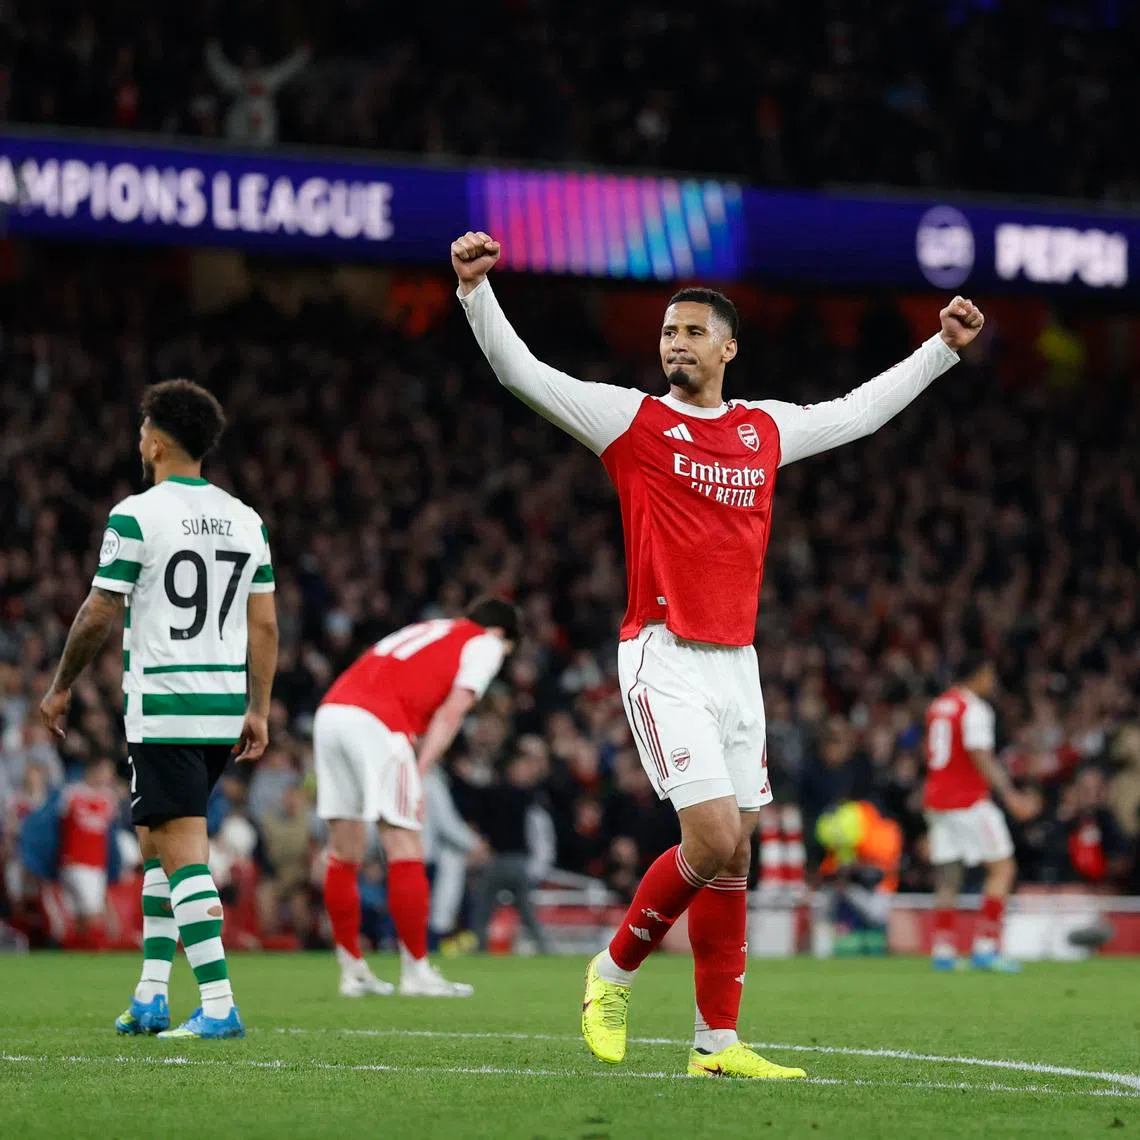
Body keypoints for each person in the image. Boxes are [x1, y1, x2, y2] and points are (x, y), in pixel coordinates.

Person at [452, 229, 983, 1079]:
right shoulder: (633, 420)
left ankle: (716, 1044)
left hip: (738, 662)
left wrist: (940, 352)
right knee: (706, 836)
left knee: (736, 850)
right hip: (662, 654)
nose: (675, 343)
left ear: (729, 347)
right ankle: (610, 970)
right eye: (667, 331)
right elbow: (524, 375)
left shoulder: (762, 430)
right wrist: (476, 296)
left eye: (692, 332)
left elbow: (856, 412)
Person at [40, 379, 278, 1039]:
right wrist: (258, 708)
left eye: (142, 427)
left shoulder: (136, 514)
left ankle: (220, 1004)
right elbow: (264, 627)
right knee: (156, 843)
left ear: (156, 439)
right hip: (223, 704)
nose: (138, 437)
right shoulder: (245, 518)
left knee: (181, 852)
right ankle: (149, 995)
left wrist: (62, 685)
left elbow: (98, 609)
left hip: (167, 701)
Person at [315, 597, 518, 997]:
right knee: (405, 841)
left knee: (344, 851)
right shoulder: (486, 642)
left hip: (331, 713)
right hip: (379, 724)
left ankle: (352, 970)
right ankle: (416, 972)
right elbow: (452, 712)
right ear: (501, 633)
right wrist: (420, 770)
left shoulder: (430, 627)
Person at [924, 655, 1033, 972]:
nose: (993, 682)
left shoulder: (939, 706)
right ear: (980, 674)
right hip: (968, 802)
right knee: (1002, 868)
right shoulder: (974, 709)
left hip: (937, 801)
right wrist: (1010, 795)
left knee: (948, 875)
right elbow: (980, 754)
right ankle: (986, 947)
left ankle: (943, 950)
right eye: (990, 675)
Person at [57, 756, 120, 950]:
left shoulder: (109, 800)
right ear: (92, 771)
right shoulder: (71, 794)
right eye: (104, 772)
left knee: (84, 916)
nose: (107, 777)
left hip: (95, 864)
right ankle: (92, 953)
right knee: (87, 915)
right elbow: (55, 825)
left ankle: (81, 959)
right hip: (73, 861)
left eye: (110, 773)